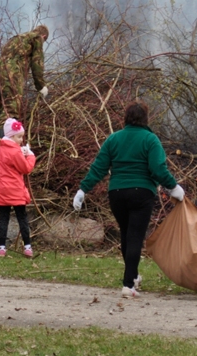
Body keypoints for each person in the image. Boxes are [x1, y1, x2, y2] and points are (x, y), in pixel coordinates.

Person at [72, 101, 184, 298]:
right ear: (145, 119)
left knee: (126, 234)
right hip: (141, 193)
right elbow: (158, 169)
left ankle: (132, 277)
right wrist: (174, 187)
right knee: (135, 236)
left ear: (126, 118)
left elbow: (99, 167)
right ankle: (128, 284)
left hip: (116, 193)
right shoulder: (150, 140)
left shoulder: (113, 139)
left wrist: (83, 189)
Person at [0, 25, 50, 145]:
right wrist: (41, 86)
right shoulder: (37, 38)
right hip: (11, 72)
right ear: (44, 36)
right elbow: (37, 64)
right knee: (10, 109)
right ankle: (5, 147)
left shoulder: (17, 38)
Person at [0, 117, 37, 258]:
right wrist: (30, 156)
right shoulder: (15, 151)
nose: (21, 140)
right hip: (15, 189)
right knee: (21, 217)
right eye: (18, 137)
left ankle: (2, 248)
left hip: (1, 189)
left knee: (3, 218)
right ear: (11, 136)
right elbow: (25, 168)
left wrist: (20, 152)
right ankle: (27, 247)